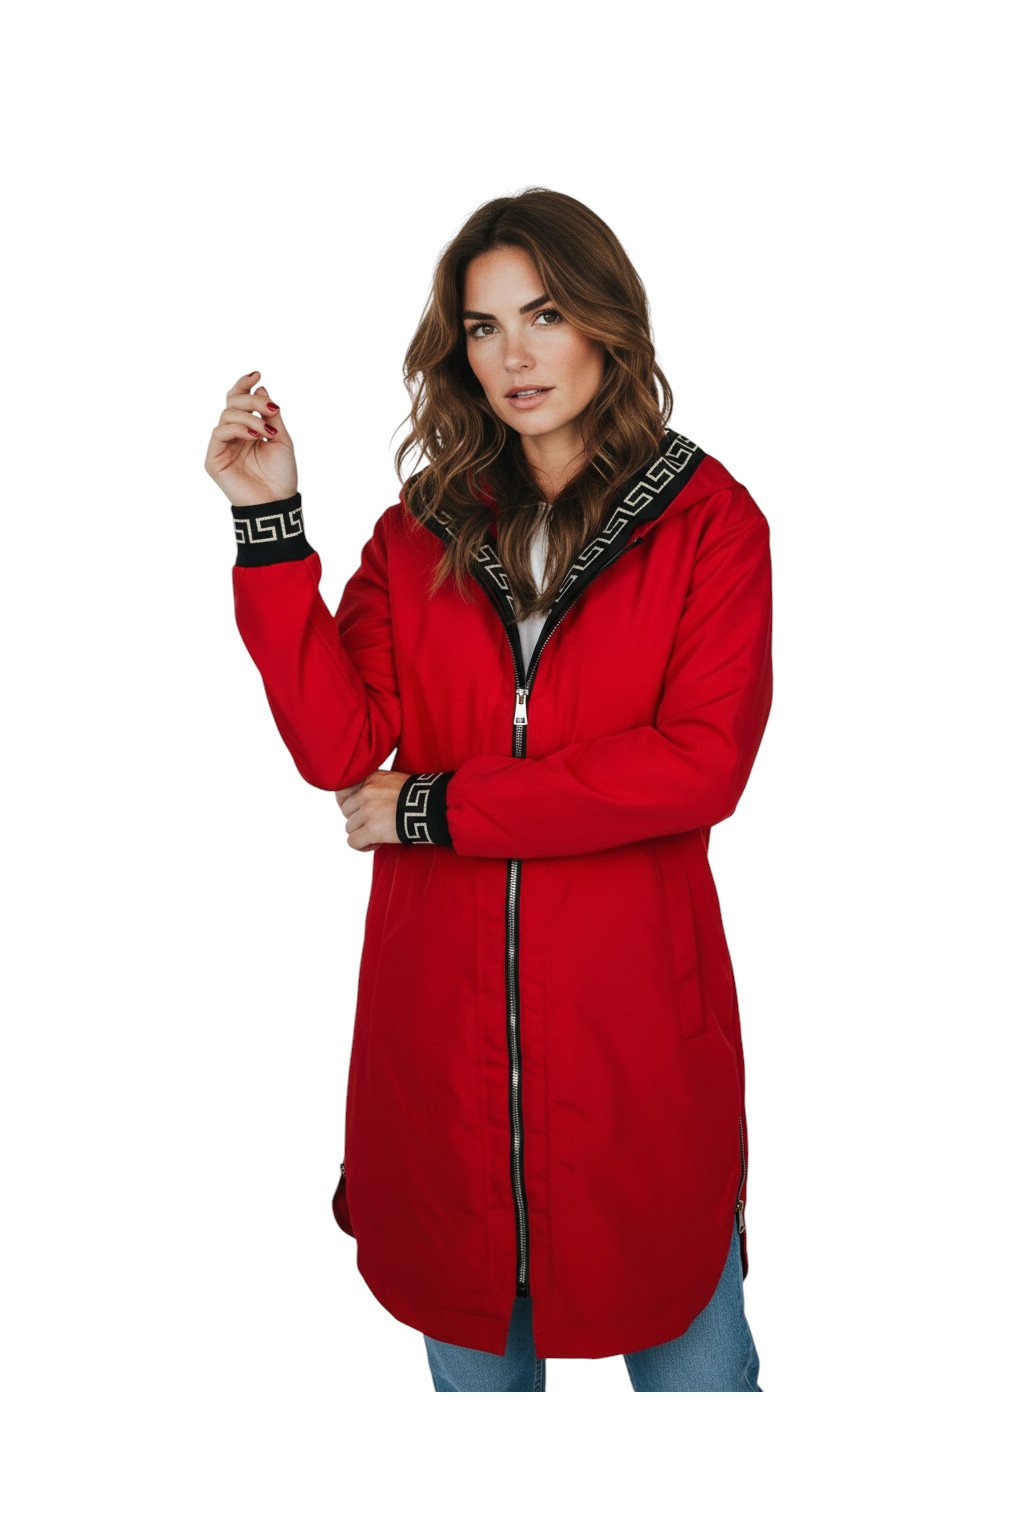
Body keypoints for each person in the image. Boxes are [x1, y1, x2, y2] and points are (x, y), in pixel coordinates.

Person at [204, 187, 773, 1392]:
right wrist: (269, 525)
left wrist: (439, 808)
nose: (514, 355)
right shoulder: (416, 535)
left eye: (545, 315)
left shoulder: (708, 524)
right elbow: (340, 748)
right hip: (440, 1049)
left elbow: (697, 763)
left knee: (702, 1387)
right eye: (482, 326)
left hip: (631, 1048)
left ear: (606, 323)